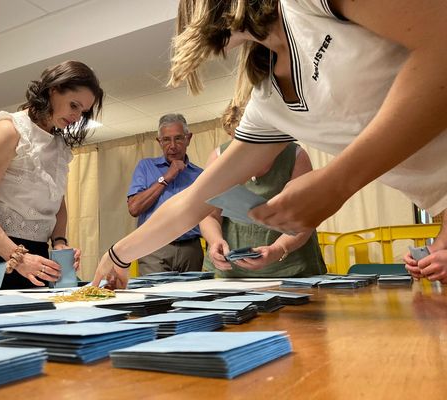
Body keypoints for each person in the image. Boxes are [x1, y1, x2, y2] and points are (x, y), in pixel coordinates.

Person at [91, 0, 447, 288]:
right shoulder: (268, 102)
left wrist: (338, 181)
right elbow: (194, 200)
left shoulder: (307, 6)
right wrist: (119, 254)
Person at [0, 60, 103, 289]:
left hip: (35, 253)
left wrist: (59, 242)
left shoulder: (59, 145)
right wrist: (18, 257)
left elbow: (57, 200)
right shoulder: (9, 129)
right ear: (53, 90)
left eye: (82, 111)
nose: (77, 116)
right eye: (73, 105)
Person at [201, 103, 325, 277]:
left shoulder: (295, 156)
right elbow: (208, 214)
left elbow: (305, 219)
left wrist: (278, 248)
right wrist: (215, 241)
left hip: (291, 270)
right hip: (235, 273)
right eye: (238, 142)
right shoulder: (219, 158)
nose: (246, 150)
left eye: (254, 141)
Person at [127, 113, 204, 275]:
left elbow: (209, 215)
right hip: (154, 248)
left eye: (178, 138)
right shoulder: (146, 167)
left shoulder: (200, 175)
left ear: (188, 138)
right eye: (166, 140)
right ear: (159, 142)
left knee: (191, 298)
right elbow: (134, 208)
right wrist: (166, 178)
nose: (173, 145)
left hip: (191, 249)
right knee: (156, 298)